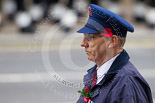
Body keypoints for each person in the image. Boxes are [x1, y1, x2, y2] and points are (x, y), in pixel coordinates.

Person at [76, 4, 153, 103]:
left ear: (112, 41)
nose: (83, 43)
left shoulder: (125, 83)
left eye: (90, 37)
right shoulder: (100, 74)